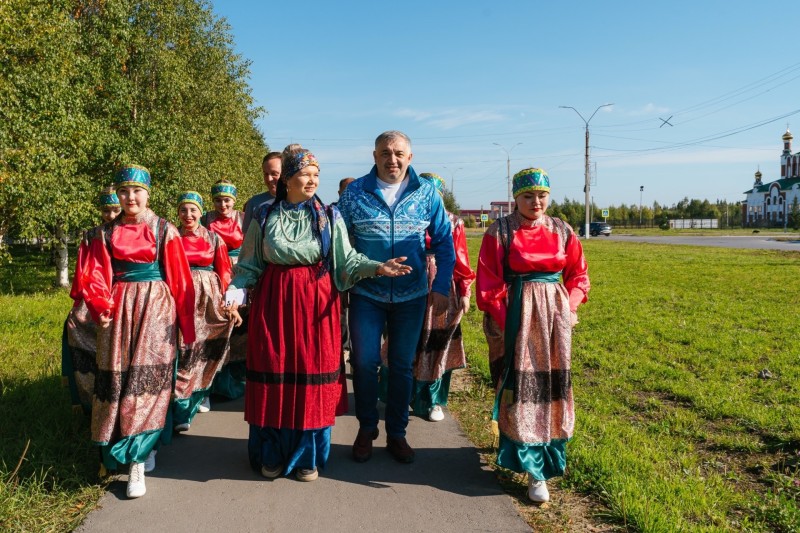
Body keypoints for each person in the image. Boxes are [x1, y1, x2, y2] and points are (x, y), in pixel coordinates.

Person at [226, 146, 410, 482]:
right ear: (288, 179)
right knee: (274, 370)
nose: (312, 181)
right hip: (275, 304)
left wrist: (377, 267)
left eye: (316, 175)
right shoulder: (265, 216)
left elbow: (347, 260)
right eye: (304, 174)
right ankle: (272, 452)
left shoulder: (328, 217)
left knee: (311, 373)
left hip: (316, 307)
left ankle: (307, 456)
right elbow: (250, 262)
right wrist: (235, 290)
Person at [74, 164, 195, 499]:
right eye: (124, 191)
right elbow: (96, 273)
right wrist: (101, 307)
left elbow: (181, 280)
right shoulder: (105, 232)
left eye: (137, 191)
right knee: (121, 379)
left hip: (156, 308)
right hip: (118, 307)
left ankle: (139, 459)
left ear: (148, 194)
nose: (130, 198)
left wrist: (186, 324)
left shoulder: (164, 229)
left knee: (150, 380)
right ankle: (120, 445)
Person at [337, 131, 455, 464]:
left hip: (412, 296)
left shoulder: (427, 194)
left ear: (410, 157)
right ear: (374, 156)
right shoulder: (354, 194)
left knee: (402, 366)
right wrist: (350, 279)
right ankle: (366, 428)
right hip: (367, 293)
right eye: (386, 153)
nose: (393, 159)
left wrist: (442, 286)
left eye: (399, 153)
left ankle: (397, 433)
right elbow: (339, 245)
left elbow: (444, 244)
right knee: (363, 363)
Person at [476, 167, 589, 503]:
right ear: (516, 198)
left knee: (550, 385)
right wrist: (508, 319)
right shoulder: (499, 232)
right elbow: (489, 282)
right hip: (516, 318)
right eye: (528, 195)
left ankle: (543, 462)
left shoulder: (563, 230)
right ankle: (531, 467)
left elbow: (578, 276)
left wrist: (570, 307)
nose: (535, 202)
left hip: (554, 320)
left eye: (542, 195)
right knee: (521, 386)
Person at [378, 172, 475, 422]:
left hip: (442, 287)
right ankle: (397, 395)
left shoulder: (453, 222)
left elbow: (461, 259)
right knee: (403, 340)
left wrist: (465, 291)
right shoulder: (405, 218)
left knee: (437, 344)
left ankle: (433, 401)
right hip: (409, 281)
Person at [172, 191, 239, 433]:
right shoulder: (171, 237)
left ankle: (204, 392)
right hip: (179, 297)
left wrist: (230, 303)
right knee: (183, 348)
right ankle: (181, 405)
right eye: (183, 210)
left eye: (193, 210)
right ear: (177, 213)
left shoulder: (214, 239)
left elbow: (225, 274)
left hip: (208, 299)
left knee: (207, 346)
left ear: (201, 212)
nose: (188, 215)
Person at [62, 187, 122, 414]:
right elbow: (84, 270)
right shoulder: (91, 235)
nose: (111, 215)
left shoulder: (131, 233)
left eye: (115, 209)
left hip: (122, 290)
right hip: (95, 292)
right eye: (106, 210)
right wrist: (80, 298)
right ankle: (89, 397)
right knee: (76, 322)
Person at [201, 179, 246, 404]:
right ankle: (217, 376)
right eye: (218, 200)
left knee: (241, 324)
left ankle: (239, 376)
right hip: (215, 274)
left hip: (240, 272)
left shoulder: (243, 218)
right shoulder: (205, 219)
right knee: (219, 320)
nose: (222, 205)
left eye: (226, 200)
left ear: (233, 200)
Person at [331, 176, 356, 359]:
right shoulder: (330, 212)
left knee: (358, 311)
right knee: (340, 310)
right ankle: (343, 346)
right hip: (336, 267)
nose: (348, 195)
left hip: (358, 267)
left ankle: (358, 352)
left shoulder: (362, 211)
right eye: (345, 191)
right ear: (339, 193)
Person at [242, 152, 282, 234]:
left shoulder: (298, 202)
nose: (269, 179)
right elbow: (248, 240)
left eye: (274, 174)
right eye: (266, 174)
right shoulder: (254, 203)